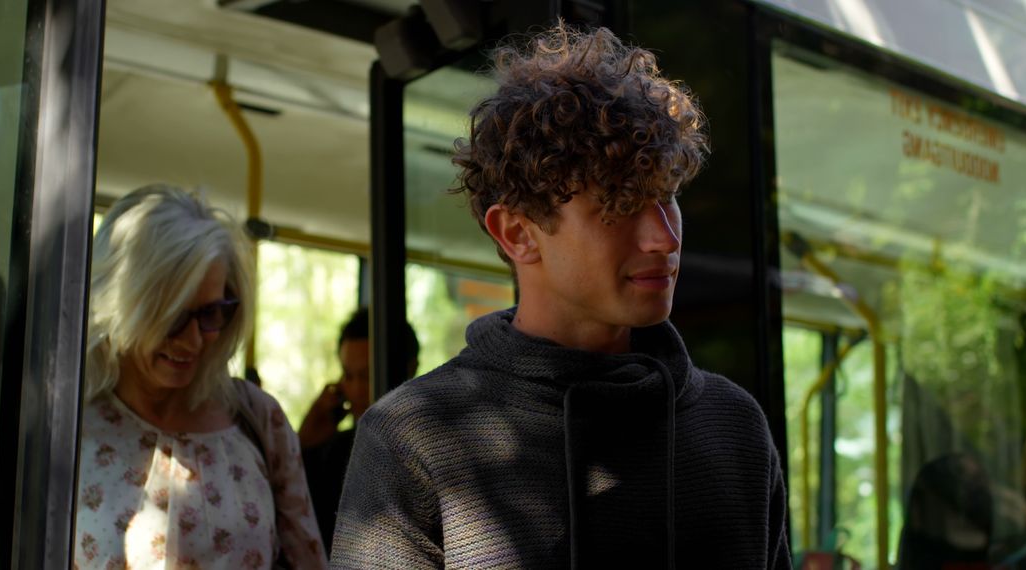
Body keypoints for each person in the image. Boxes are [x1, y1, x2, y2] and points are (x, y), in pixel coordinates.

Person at [330, 22, 792, 568]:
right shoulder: (417, 439)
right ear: (518, 233)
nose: (664, 238)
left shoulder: (735, 426)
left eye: (666, 197)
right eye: (617, 205)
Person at [0, 185, 329, 568]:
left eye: (210, 314)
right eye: (173, 317)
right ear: (120, 305)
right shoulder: (62, 428)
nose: (192, 341)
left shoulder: (256, 419)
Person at [298, 306, 419, 554]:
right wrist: (304, 446)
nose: (356, 390)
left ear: (409, 369)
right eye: (348, 375)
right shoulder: (332, 452)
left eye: (366, 375)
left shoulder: (428, 446)